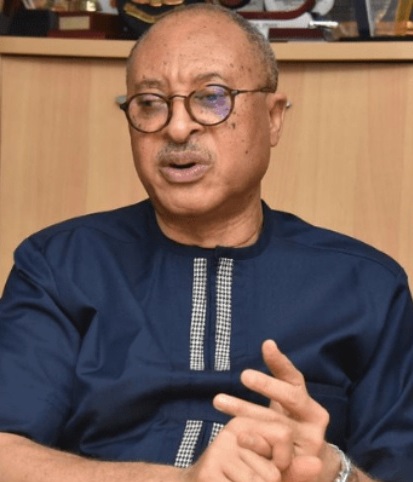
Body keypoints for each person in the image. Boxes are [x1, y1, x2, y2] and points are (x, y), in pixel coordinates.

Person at [0, 4, 412, 482]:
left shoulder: (365, 286)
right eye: (150, 103)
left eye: (212, 97)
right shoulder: (60, 266)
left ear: (273, 118)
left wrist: (333, 473)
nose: (177, 128)